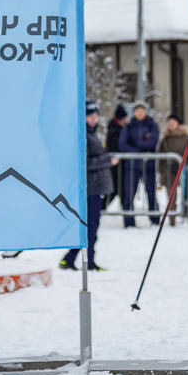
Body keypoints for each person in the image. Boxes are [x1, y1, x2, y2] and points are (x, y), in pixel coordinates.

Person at [60, 102, 113, 271]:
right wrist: (107, 160)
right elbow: (84, 162)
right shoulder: (83, 135)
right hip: (91, 187)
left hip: (95, 186)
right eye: (90, 116)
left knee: (90, 225)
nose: (93, 119)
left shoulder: (91, 134)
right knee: (89, 225)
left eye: (95, 116)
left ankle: (81, 259)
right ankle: (77, 259)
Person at [118, 102, 160, 227]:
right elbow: (122, 144)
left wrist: (136, 144)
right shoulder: (129, 126)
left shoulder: (152, 124)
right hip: (132, 166)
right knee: (129, 195)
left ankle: (155, 220)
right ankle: (129, 221)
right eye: (138, 111)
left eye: (142, 111)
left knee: (151, 194)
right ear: (134, 113)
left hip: (149, 166)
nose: (140, 113)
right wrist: (137, 151)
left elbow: (153, 141)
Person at [156, 114, 188, 226]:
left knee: (187, 195)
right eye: (169, 122)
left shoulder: (186, 137)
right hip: (168, 171)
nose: (170, 124)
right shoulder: (165, 138)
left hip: (183, 170)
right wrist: (161, 171)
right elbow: (161, 156)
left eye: (173, 122)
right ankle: (172, 220)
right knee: (171, 197)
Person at [104, 104, 128, 209]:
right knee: (115, 190)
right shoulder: (116, 131)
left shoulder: (116, 128)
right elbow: (114, 146)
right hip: (115, 164)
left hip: (119, 164)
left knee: (117, 190)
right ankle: (100, 209)